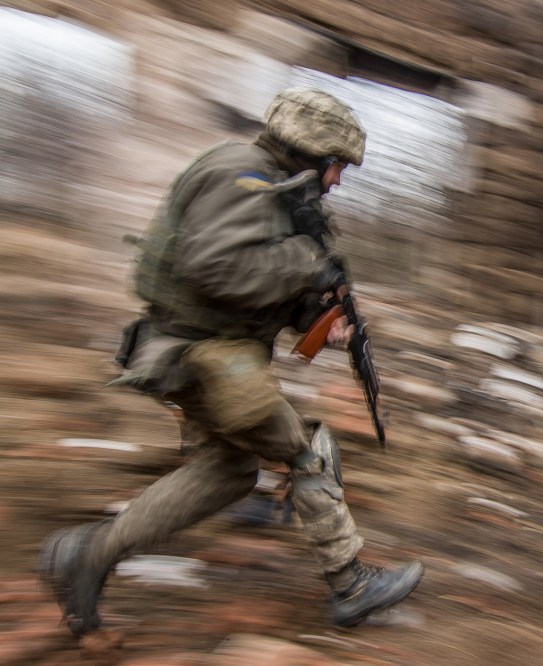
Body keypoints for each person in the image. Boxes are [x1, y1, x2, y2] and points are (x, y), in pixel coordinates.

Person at [38, 87, 423, 636]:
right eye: (337, 166)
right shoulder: (242, 173)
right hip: (202, 351)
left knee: (229, 471)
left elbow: (252, 283)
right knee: (305, 451)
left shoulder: (275, 185)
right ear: (311, 149)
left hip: (208, 347)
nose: (338, 180)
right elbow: (213, 268)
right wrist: (305, 263)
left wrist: (316, 319)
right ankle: (351, 584)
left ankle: (90, 554)